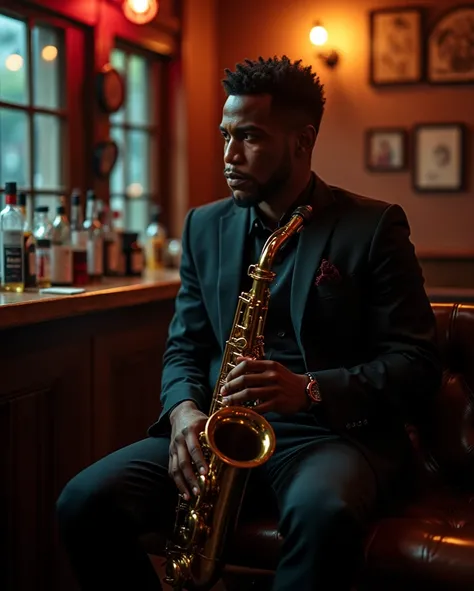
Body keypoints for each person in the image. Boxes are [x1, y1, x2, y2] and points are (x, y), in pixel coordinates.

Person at [56, 55, 442, 591]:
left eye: (250, 138)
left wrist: (309, 389)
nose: (229, 156)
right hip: (217, 429)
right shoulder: (204, 226)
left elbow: (417, 364)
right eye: (225, 135)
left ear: (302, 142)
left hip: (327, 438)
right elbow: (184, 347)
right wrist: (184, 412)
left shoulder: (373, 227)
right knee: (83, 501)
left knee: (323, 514)